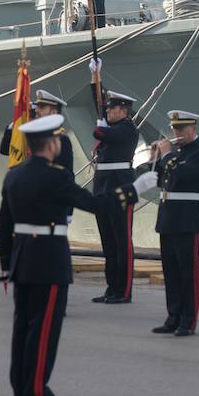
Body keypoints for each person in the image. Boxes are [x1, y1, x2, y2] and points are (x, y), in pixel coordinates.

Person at [0, 114, 157, 396]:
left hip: (22, 258)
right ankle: (35, 392)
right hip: (48, 259)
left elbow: (5, 224)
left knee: (23, 326)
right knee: (44, 328)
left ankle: (21, 388)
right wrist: (136, 189)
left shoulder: (14, 175)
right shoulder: (56, 177)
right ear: (50, 143)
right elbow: (99, 205)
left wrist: (7, 263)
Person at [151, 111, 199, 336]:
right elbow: (160, 181)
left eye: (182, 129)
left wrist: (166, 156)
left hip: (188, 217)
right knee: (171, 271)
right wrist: (155, 159)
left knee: (188, 271)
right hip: (168, 216)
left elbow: (184, 177)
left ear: (193, 129)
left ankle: (188, 319)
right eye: (175, 129)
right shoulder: (174, 153)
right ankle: (173, 315)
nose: (177, 133)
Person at [89, 59, 139, 304]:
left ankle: (125, 290)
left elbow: (100, 132)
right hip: (103, 187)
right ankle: (112, 286)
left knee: (122, 241)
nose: (108, 112)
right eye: (107, 109)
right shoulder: (110, 125)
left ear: (124, 110)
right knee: (108, 241)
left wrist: (101, 127)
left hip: (121, 187)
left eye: (112, 109)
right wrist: (95, 76)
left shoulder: (128, 129)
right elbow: (97, 104)